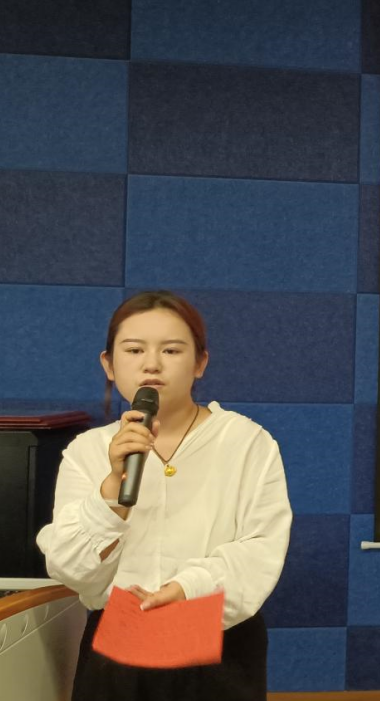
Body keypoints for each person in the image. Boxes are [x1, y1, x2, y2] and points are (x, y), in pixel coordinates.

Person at [36, 291, 292, 701]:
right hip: (117, 646)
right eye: (134, 349)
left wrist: (188, 587)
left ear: (200, 363)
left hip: (218, 642)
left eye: (171, 350)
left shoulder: (246, 441)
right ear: (109, 364)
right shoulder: (88, 450)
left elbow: (261, 548)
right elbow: (70, 569)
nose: (151, 364)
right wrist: (112, 489)